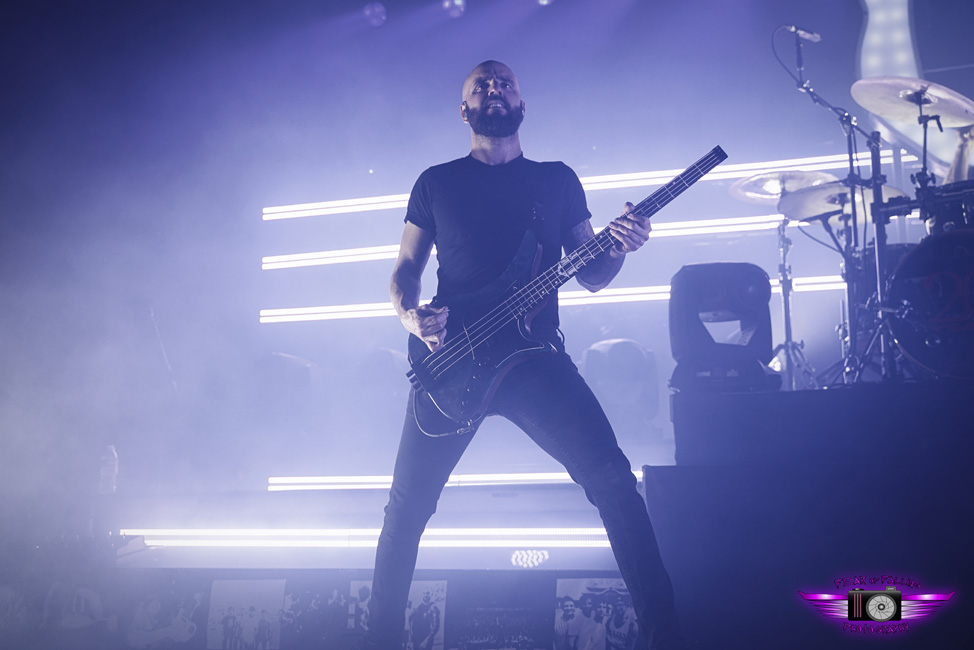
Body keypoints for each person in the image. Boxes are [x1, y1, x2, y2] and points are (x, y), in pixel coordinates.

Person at [365, 60, 685, 650]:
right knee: (406, 509)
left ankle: (665, 637)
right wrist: (410, 316)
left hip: (536, 358)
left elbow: (592, 272)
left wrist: (623, 248)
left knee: (615, 482)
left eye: (504, 83)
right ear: (465, 110)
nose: (494, 90)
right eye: (480, 87)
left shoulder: (556, 180)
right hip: (452, 357)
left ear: (520, 104)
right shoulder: (436, 181)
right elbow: (406, 269)